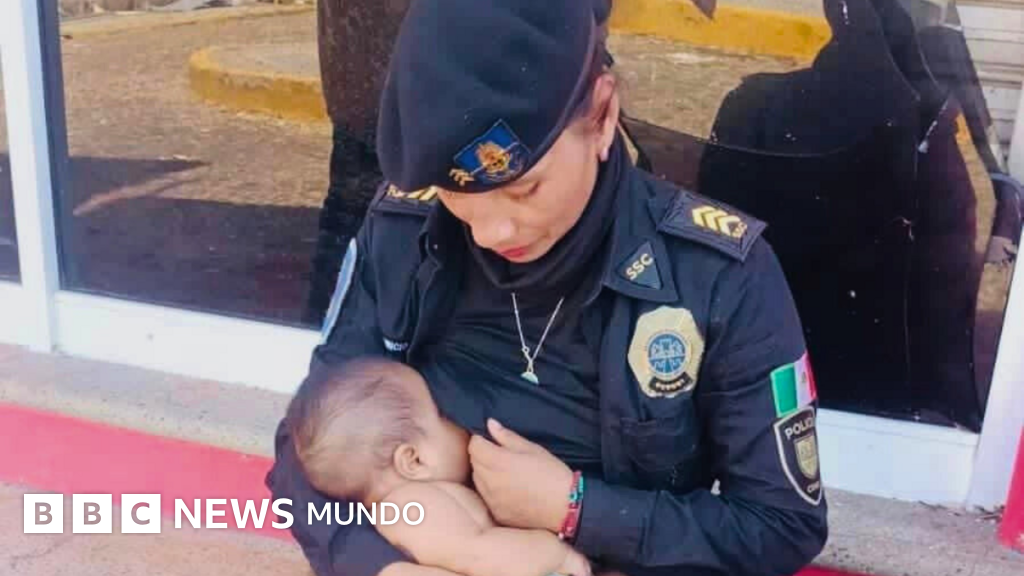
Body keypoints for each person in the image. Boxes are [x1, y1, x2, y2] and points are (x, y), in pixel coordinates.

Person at [267, 1, 829, 576]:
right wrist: (386, 568)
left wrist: (577, 508)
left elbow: (782, 525)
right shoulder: (403, 236)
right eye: (461, 200)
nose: (491, 233)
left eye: (524, 190)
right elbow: (306, 449)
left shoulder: (717, 276)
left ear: (603, 116)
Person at [286, 357, 592, 576]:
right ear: (413, 460)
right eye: (442, 414)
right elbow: (479, 554)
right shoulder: (413, 505)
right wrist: (557, 553)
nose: (458, 421)